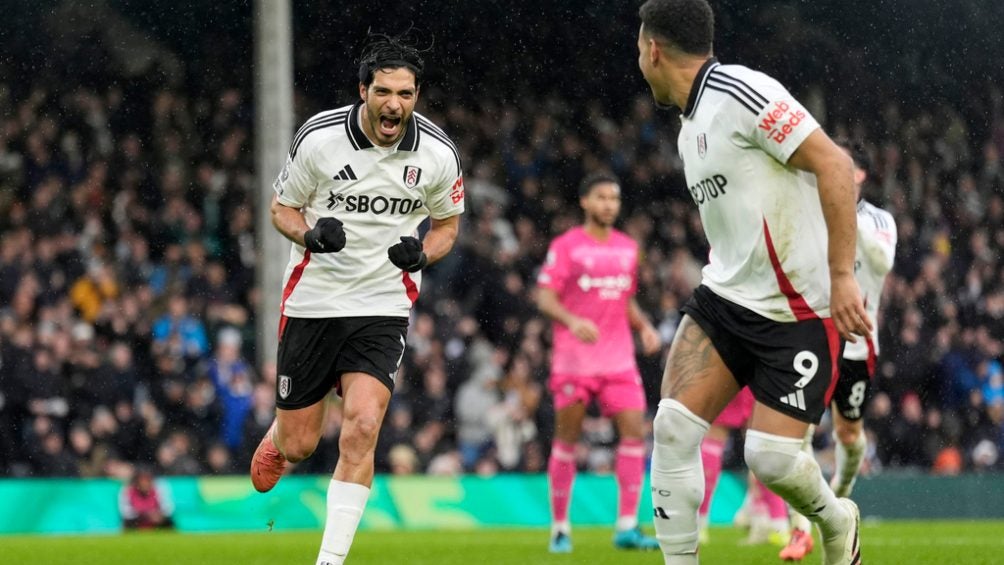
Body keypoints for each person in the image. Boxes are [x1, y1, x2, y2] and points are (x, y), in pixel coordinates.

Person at [636, 1, 871, 564]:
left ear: (653, 50)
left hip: (800, 312)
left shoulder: (741, 92)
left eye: (638, 51)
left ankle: (837, 520)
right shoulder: (688, 127)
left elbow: (836, 165)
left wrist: (842, 276)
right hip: (725, 301)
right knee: (671, 428)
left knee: (772, 460)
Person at [250, 31, 465, 565]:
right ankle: (281, 433)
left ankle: (330, 560)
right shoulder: (320, 138)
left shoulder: (438, 153)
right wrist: (309, 235)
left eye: (407, 94)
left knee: (364, 425)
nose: (395, 104)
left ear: (417, 96)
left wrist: (422, 253)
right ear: (363, 89)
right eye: (385, 91)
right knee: (301, 445)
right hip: (314, 302)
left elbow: (447, 226)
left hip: (381, 304)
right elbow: (282, 209)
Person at [535, 172, 662, 553]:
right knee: (567, 441)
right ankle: (560, 527)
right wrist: (573, 320)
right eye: (602, 197)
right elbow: (544, 297)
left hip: (619, 360)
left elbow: (624, 299)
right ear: (585, 202)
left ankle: (626, 526)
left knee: (635, 435)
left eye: (614, 198)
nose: (609, 204)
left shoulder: (628, 248)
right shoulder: (567, 246)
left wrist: (644, 326)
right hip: (575, 362)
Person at [781, 144, 897, 561]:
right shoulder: (809, 211)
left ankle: (839, 499)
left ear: (860, 174)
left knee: (849, 433)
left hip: (858, 344)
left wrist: (844, 211)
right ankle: (798, 530)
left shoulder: (879, 219)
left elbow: (882, 263)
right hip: (810, 336)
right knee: (794, 433)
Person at [698, 389, 790, 547]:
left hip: (729, 371)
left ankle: (699, 526)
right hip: (760, 372)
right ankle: (779, 526)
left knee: (715, 436)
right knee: (762, 443)